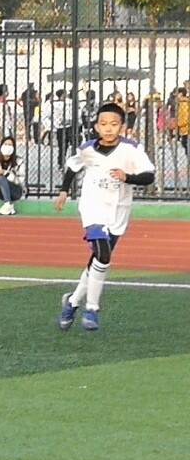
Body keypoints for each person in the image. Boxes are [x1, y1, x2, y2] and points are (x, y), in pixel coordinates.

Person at [55, 103, 156, 331]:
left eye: (114, 124)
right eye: (103, 124)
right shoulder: (87, 149)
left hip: (119, 211)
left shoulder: (132, 149)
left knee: (99, 260)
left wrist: (127, 177)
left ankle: (72, 301)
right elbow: (73, 167)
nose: (108, 128)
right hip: (93, 208)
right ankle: (92, 308)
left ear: (122, 126)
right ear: (96, 127)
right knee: (102, 253)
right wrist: (63, 191)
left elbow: (149, 176)